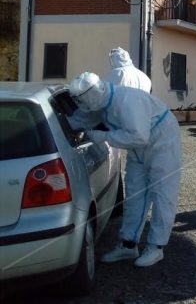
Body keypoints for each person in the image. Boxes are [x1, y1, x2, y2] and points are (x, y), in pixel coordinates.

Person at [68, 72, 181, 267]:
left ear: (93, 95)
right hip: (138, 147)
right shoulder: (99, 102)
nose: (83, 106)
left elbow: (139, 136)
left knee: (163, 193)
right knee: (135, 193)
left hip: (162, 141)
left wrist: (103, 136)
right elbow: (82, 118)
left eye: (84, 101)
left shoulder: (128, 101)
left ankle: (156, 247)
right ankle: (128, 244)